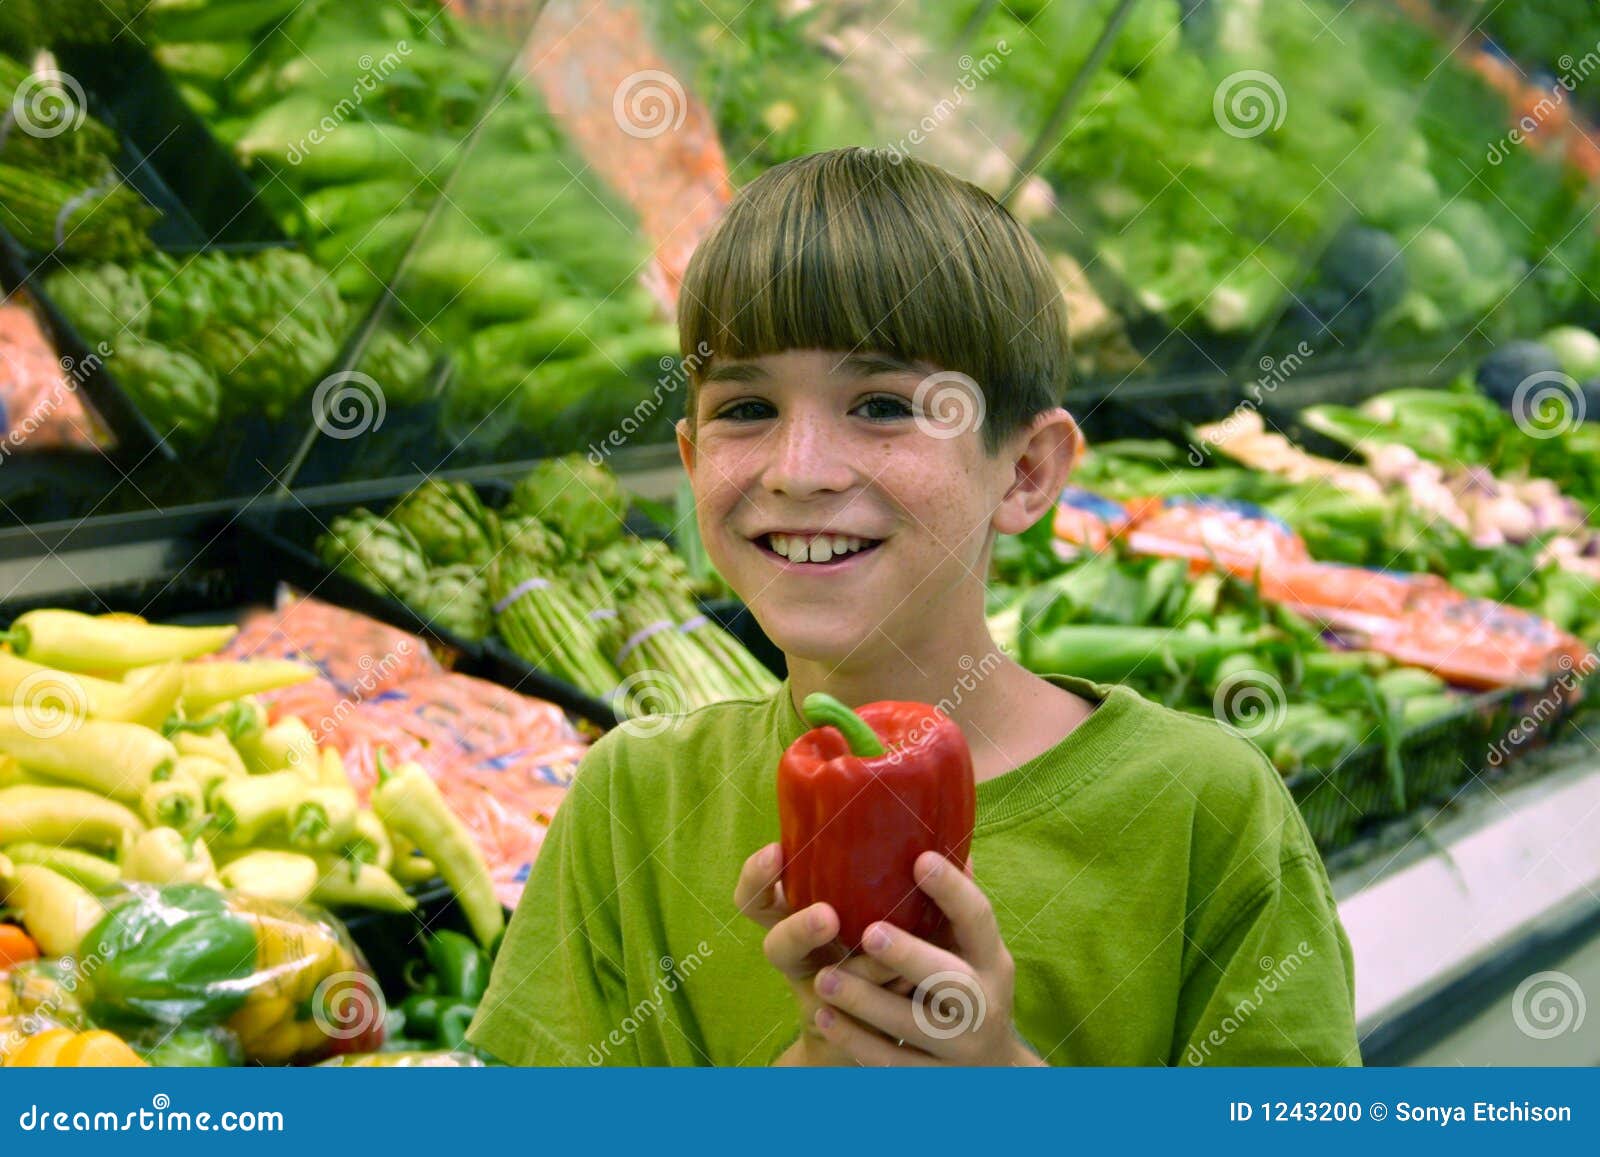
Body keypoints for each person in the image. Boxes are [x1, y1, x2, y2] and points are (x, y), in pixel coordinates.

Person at [467, 148, 1360, 1067]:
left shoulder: (1201, 810)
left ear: (1026, 471)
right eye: (747, 409)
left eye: (885, 403)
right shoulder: (631, 799)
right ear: (693, 463)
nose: (799, 470)